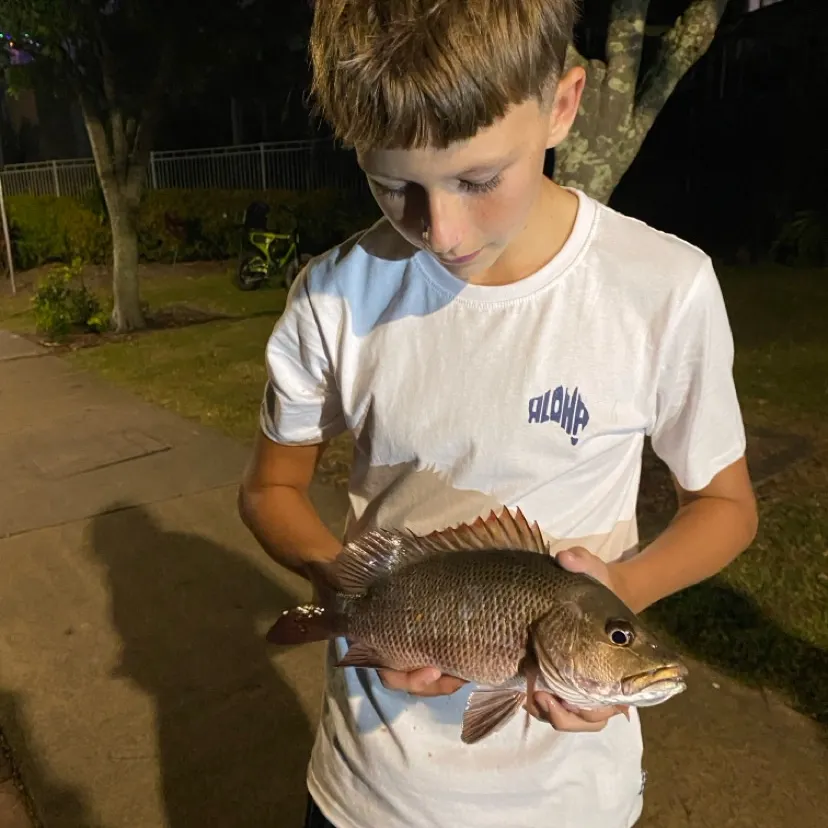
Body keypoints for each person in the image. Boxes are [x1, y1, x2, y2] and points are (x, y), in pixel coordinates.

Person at [237, 1, 759, 826]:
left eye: (478, 180)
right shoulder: (333, 296)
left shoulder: (664, 287)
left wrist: (620, 591)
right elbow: (270, 489)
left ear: (562, 105)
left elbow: (726, 504)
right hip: (370, 791)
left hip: (572, 802)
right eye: (393, 185)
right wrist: (355, 594)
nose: (441, 231)